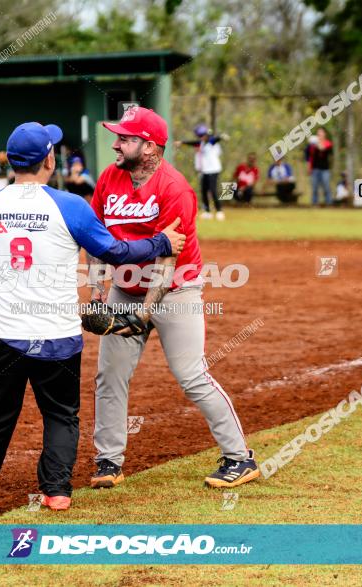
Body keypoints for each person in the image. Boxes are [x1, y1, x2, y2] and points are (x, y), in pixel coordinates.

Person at [0, 121, 186, 516]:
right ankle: (57, 491)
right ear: (49, 159)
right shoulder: (70, 204)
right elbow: (116, 252)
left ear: (10, 160)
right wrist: (161, 242)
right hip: (56, 334)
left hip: (3, 332)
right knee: (60, 414)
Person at [88, 106, 259, 490]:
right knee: (109, 375)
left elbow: (169, 257)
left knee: (191, 375)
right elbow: (97, 240)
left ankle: (239, 457)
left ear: (149, 147)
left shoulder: (174, 188)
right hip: (124, 288)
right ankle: (109, 461)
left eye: (125, 138)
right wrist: (98, 295)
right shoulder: (109, 179)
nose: (115, 143)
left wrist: (144, 314)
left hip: (175, 289)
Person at [175, 125, 226, 220]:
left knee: (213, 190)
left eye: (203, 135)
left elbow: (216, 139)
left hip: (213, 170)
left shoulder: (212, 142)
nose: (201, 137)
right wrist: (182, 142)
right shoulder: (202, 143)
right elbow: (194, 143)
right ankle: (207, 211)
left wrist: (222, 136)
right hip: (204, 171)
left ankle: (219, 211)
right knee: (204, 191)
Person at [305, 128, 333, 206]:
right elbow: (308, 157)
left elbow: (323, 149)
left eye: (321, 133)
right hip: (315, 169)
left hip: (325, 169)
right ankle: (314, 203)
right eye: (318, 133)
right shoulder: (312, 145)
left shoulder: (328, 143)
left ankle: (329, 203)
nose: (319, 135)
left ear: (324, 134)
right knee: (314, 188)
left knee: (326, 187)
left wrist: (316, 142)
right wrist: (309, 167)